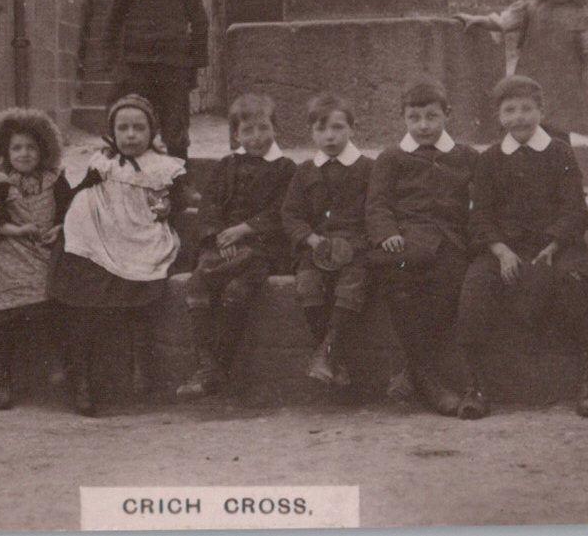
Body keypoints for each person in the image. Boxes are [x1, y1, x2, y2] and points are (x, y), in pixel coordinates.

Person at [455, 74, 588, 422]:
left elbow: (575, 210)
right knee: (476, 286)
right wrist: (501, 250)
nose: (519, 117)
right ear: (498, 116)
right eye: (510, 110)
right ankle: (476, 385)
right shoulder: (490, 159)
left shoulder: (560, 153)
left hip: (556, 244)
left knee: (574, 281)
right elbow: (481, 215)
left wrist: (553, 244)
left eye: (527, 108)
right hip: (504, 247)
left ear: (541, 110)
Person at [50, 94, 186, 416]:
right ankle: (81, 380)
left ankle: (140, 361)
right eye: (122, 128)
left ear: (151, 132)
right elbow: (78, 191)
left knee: (140, 289)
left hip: (138, 234)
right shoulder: (103, 163)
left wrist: (169, 206)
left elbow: (178, 201)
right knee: (79, 294)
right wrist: (62, 220)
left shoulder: (164, 168)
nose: (130, 135)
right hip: (98, 233)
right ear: (113, 131)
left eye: (139, 128)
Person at [366, 76, 478, 416]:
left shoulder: (465, 156)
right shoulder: (391, 157)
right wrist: (386, 232)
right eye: (414, 118)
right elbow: (377, 204)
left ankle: (416, 371)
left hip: (451, 240)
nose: (423, 126)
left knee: (451, 283)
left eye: (431, 117)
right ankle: (426, 376)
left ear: (448, 114)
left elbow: (480, 202)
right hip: (405, 239)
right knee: (399, 282)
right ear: (402, 118)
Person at [176, 93, 295, 399]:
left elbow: (283, 211)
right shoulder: (226, 166)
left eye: (263, 128)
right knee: (197, 287)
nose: (257, 137)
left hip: (260, 246)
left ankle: (217, 369)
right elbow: (210, 206)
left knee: (236, 290)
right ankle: (207, 368)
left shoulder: (285, 168)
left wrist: (244, 230)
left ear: (275, 129)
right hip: (221, 244)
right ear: (236, 135)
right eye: (248, 131)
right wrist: (218, 234)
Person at [458, 0, 588, 141]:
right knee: (525, 122)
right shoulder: (530, 10)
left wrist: (586, 62)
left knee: (557, 127)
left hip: (564, 84)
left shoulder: (582, 14)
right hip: (531, 78)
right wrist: (479, 20)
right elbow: (502, 23)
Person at [0, 107, 67, 411]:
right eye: (17, 148)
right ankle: (3, 377)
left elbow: (70, 211)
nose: (24, 154)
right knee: (7, 315)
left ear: (43, 150)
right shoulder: (0, 180)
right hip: (7, 248)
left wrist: (58, 227)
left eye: (31, 147)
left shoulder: (55, 179)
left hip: (43, 249)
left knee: (53, 301)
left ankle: (59, 367)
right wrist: (18, 229)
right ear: (5, 150)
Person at [281, 93, 372, 390]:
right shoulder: (305, 171)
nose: (329, 136)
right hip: (315, 247)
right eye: (321, 129)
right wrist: (309, 237)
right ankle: (333, 359)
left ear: (352, 129)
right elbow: (291, 214)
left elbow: (374, 211)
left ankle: (327, 353)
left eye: (337, 128)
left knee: (352, 283)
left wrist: (353, 244)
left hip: (354, 249)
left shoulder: (367, 169)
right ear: (311, 132)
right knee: (307, 283)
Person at [102, 0, 209, 163]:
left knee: (175, 124)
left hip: (173, 68)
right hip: (135, 68)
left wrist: (194, 64)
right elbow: (111, 27)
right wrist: (114, 65)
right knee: (132, 118)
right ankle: (126, 173)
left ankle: (178, 179)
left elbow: (200, 24)